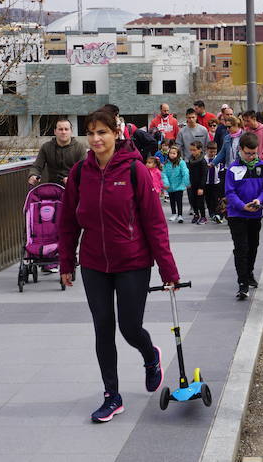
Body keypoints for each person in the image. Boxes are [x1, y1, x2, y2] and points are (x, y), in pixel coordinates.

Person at [58, 107, 179, 423]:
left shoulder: (134, 171)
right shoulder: (80, 173)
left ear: (115, 134)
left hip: (133, 262)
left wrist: (168, 271)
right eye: (91, 133)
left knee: (128, 327)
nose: (96, 139)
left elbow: (155, 224)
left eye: (102, 132)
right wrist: (66, 261)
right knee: (103, 328)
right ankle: (112, 395)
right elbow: (68, 220)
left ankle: (150, 356)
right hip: (95, 262)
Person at [226, 132, 263, 300]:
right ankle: (242, 282)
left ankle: (249, 272)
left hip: (255, 213)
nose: (252, 156)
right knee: (241, 248)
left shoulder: (262, 166)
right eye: (248, 153)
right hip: (237, 214)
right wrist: (241, 206)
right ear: (240, 150)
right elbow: (229, 192)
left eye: (254, 153)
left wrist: (259, 200)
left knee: (253, 245)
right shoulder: (233, 168)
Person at [28, 118, 87, 186]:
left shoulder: (80, 148)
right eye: (60, 129)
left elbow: (84, 170)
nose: (63, 132)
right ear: (55, 131)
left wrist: (72, 179)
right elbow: (37, 166)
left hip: (74, 187)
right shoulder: (46, 147)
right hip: (53, 188)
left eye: (66, 129)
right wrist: (33, 175)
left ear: (71, 131)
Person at [162, 144, 189, 223]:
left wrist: (186, 182)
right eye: (171, 153)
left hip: (179, 185)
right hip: (170, 185)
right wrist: (166, 183)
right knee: (172, 200)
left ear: (177, 154)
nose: (172, 155)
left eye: (174, 153)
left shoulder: (181, 162)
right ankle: (174, 213)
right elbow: (164, 174)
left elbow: (185, 172)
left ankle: (180, 215)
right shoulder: (166, 163)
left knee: (179, 200)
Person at [186, 141, 208, 225]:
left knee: (200, 201)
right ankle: (196, 215)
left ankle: (203, 216)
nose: (192, 152)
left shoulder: (202, 161)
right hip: (192, 184)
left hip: (200, 185)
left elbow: (204, 175)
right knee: (193, 200)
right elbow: (189, 172)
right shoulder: (191, 160)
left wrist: (201, 187)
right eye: (191, 150)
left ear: (199, 150)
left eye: (194, 150)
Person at [204, 141, 225, 223]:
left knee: (216, 199)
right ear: (206, 150)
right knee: (208, 199)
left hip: (216, 183)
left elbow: (222, 171)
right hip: (207, 183)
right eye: (210, 152)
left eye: (214, 152)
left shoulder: (218, 159)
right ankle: (211, 213)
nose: (212, 153)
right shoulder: (204, 159)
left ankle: (217, 214)